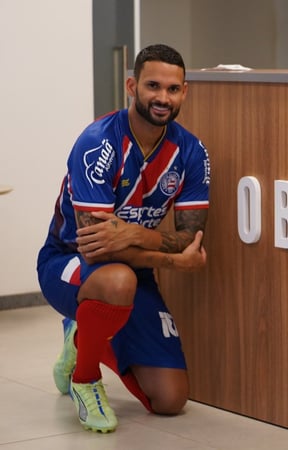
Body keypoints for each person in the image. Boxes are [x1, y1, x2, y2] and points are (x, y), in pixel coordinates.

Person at [36, 44, 211, 433]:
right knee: (116, 279)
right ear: (132, 86)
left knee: (170, 399)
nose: (163, 98)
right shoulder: (98, 142)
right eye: (153, 86)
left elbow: (191, 238)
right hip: (68, 262)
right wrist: (171, 259)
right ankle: (84, 379)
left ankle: (84, 337)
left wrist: (134, 234)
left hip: (135, 272)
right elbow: (97, 249)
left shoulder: (191, 152)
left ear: (184, 92)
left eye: (173, 89)